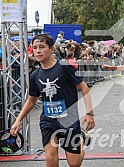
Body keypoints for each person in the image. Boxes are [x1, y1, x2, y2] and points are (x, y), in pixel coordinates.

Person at [10, 34, 95, 167]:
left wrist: (89, 114)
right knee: (50, 158)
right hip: (48, 120)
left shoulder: (64, 67)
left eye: (42, 47)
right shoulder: (35, 75)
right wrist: (18, 120)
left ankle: (81, 139)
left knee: (74, 163)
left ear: (51, 49)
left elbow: (84, 88)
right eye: (35, 48)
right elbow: (31, 100)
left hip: (68, 119)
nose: (37, 51)